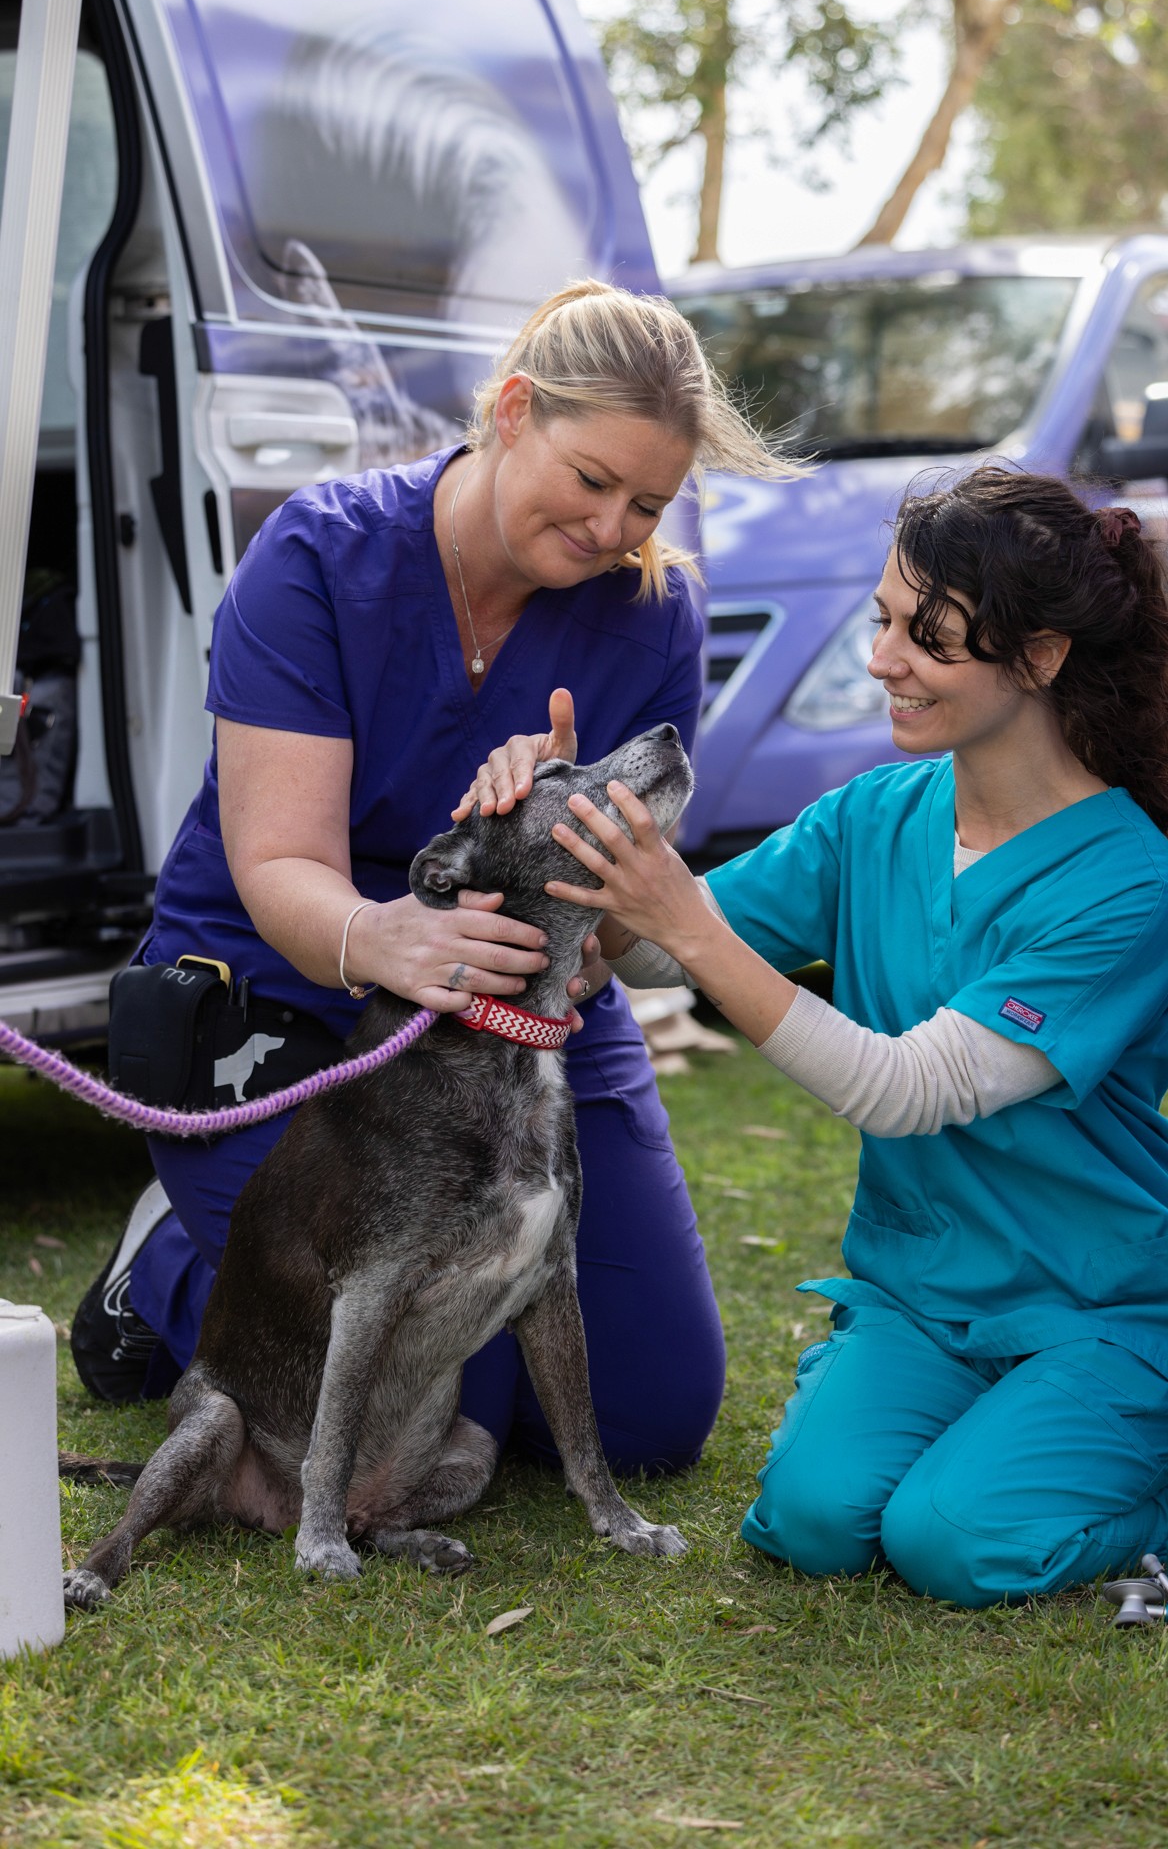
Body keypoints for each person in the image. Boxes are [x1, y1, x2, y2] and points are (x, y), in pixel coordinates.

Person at [74, 279, 794, 1481]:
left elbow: (619, 919)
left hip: (521, 1016)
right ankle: (167, 1268)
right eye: (593, 479)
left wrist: (590, 876)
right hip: (288, 994)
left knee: (655, 1414)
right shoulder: (318, 552)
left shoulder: (654, 614)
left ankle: (237, 1263)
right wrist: (385, 939)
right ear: (514, 409)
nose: (618, 526)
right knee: (463, 1375)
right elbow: (278, 863)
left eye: (649, 502)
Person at [531, 465, 1168, 1607]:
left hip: (1109, 1307)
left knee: (952, 1541)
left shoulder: (1132, 892)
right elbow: (674, 946)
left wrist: (676, 917)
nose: (883, 658)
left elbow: (906, 1087)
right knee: (813, 1520)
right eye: (882, 620)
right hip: (930, 1295)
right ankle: (978, 1422)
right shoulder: (876, 814)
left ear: (1042, 656)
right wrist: (586, 843)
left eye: (930, 635)